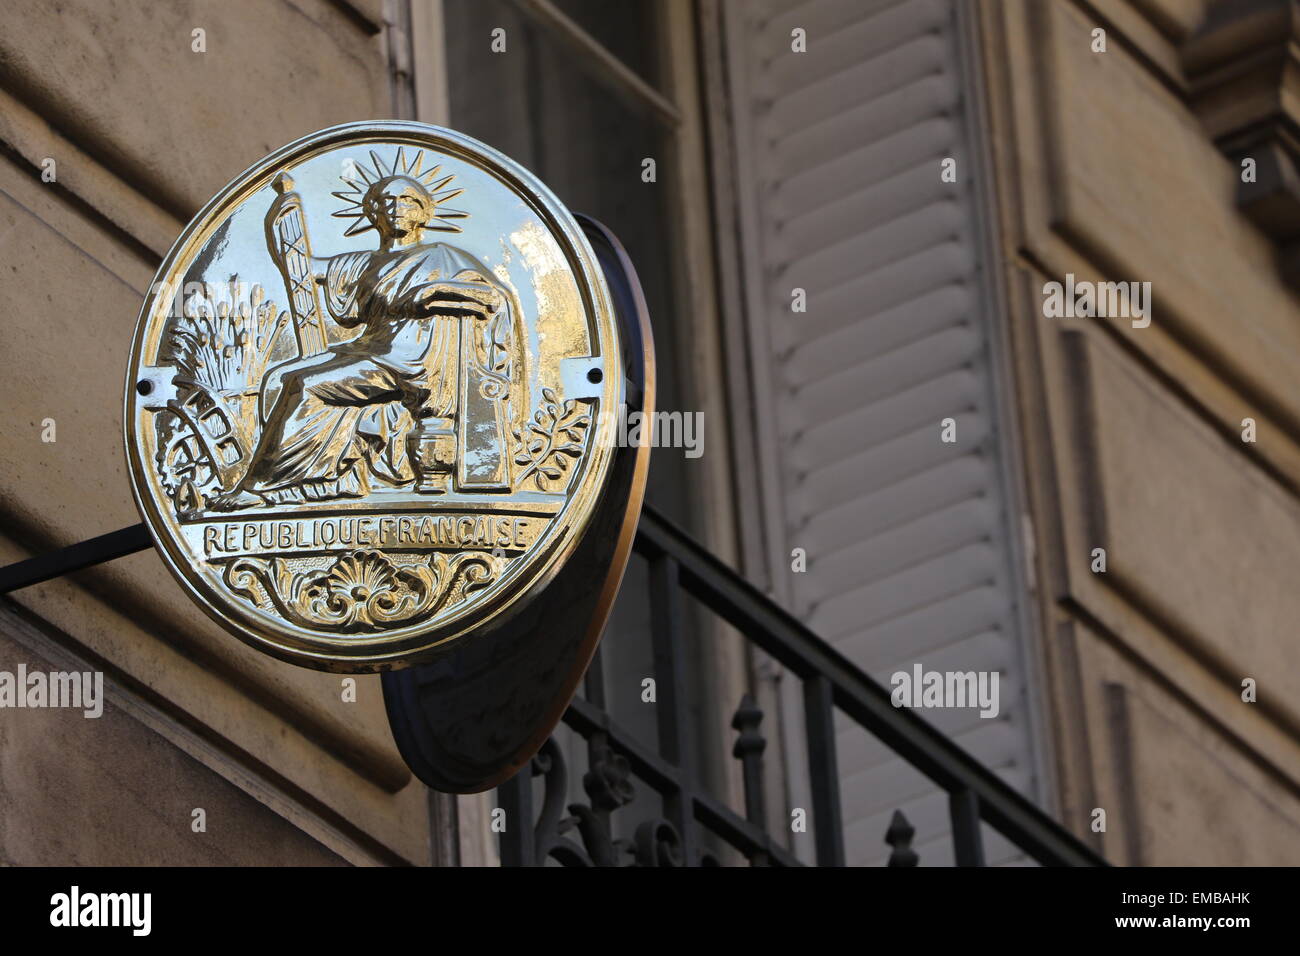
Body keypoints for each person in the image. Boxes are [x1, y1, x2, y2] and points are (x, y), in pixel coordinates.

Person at [208, 171, 511, 511]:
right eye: (387, 201)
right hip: (373, 350)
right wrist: (282, 217)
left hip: (418, 359)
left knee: (308, 384)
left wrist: (435, 290)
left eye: (408, 200)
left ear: (424, 213)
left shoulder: (442, 256)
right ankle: (335, 479)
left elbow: (492, 296)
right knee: (280, 378)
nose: (397, 207)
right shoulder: (363, 262)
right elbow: (302, 267)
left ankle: (266, 486)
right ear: (373, 213)